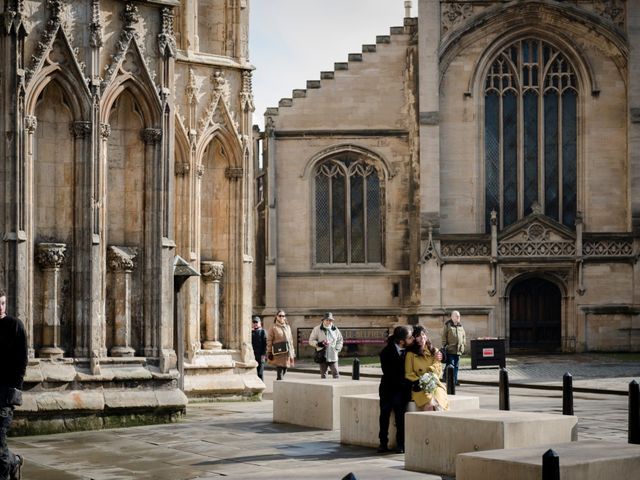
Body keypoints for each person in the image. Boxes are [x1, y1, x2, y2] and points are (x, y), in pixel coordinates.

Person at [0, 289, 27, 480]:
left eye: (2, 303)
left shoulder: (14, 325)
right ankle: (14, 461)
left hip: (5, 392)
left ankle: (7, 467)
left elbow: (21, 360)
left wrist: (15, 388)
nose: (0, 308)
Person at [377, 325, 414, 454]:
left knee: (400, 417)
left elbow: (427, 347)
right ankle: (382, 443)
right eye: (410, 337)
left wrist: (441, 354)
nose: (413, 339)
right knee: (384, 415)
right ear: (401, 341)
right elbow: (389, 373)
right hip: (388, 389)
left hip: (402, 390)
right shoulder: (386, 352)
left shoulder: (411, 349)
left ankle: (400, 444)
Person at [405, 325, 449, 412]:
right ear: (414, 338)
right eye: (418, 336)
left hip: (435, 385)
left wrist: (430, 376)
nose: (422, 337)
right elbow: (409, 373)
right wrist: (421, 381)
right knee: (429, 403)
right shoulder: (410, 354)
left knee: (438, 402)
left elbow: (438, 370)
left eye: (423, 334)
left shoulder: (434, 351)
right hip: (419, 387)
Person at [309, 312, 344, 379]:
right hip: (322, 355)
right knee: (324, 375)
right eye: (327, 320)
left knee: (336, 374)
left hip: (333, 355)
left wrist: (337, 349)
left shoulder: (335, 329)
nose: (328, 322)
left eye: (330, 320)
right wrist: (319, 344)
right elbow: (311, 341)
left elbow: (340, 340)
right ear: (323, 320)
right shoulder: (317, 329)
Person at [266, 310, 295, 380]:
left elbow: (291, 340)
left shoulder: (287, 327)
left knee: (285, 368)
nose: (281, 317)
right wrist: (269, 352)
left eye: (283, 316)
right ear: (276, 317)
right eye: (280, 315)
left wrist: (292, 353)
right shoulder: (273, 327)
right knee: (280, 371)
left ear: (285, 317)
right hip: (278, 352)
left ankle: (278, 382)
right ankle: (279, 383)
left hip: (287, 352)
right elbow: (269, 340)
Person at [441, 310, 466, 386]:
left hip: (458, 350)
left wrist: (463, 345)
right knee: (451, 365)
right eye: (456, 316)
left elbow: (464, 336)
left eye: (459, 316)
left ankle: (455, 380)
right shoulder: (447, 325)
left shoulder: (460, 326)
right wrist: (445, 345)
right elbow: (443, 336)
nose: (458, 317)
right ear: (452, 317)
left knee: (456, 366)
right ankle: (450, 380)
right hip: (450, 350)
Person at [251, 316, 267, 381]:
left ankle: (261, 386)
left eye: (256, 322)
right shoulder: (251, 332)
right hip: (253, 356)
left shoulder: (263, 331)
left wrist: (264, 355)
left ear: (260, 323)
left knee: (260, 373)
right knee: (254, 373)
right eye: (254, 322)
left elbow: (265, 344)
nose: (255, 324)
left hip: (261, 355)